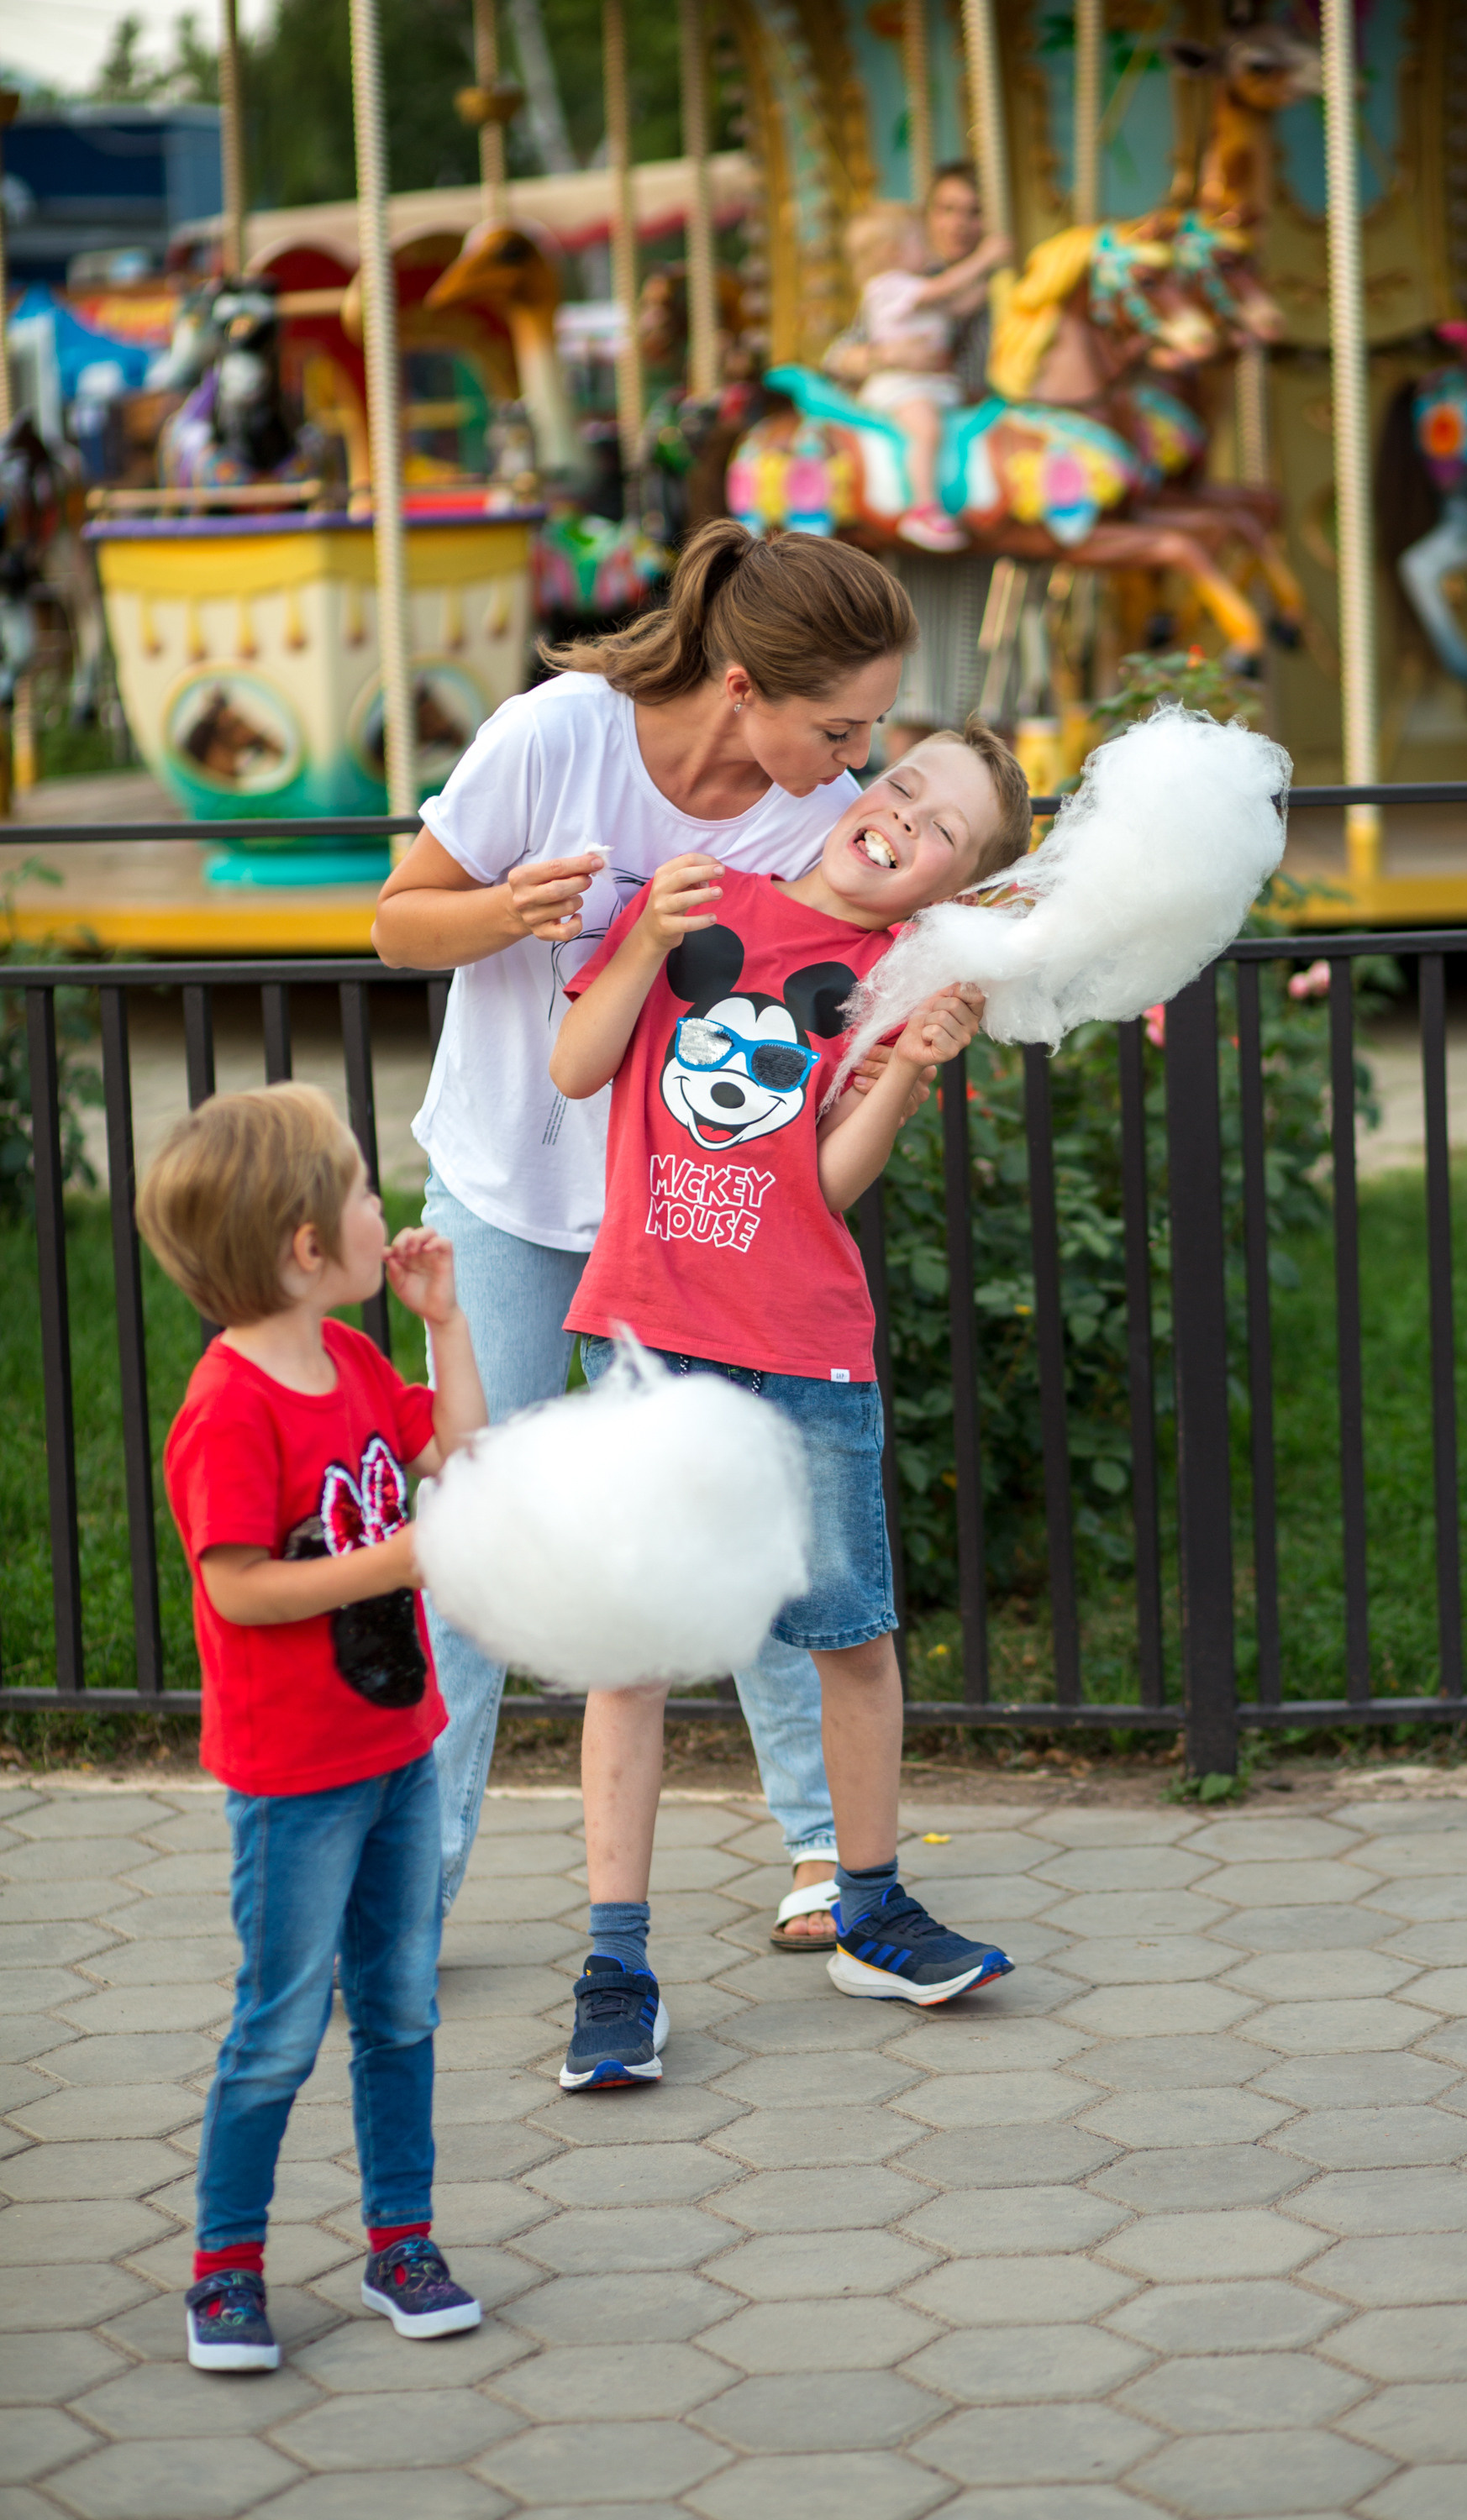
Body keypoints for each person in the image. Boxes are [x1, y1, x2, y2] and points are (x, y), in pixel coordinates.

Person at [371, 522, 918, 1956]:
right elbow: (396, 925)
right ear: (743, 684)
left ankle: (820, 1850)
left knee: (743, 1510)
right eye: (837, 723)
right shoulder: (558, 738)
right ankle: (410, 1895)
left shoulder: (818, 817)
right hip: (506, 1186)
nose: (856, 755)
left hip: (701, 1229)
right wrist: (511, 909)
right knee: (477, 1521)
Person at [545, 722, 1033, 2088]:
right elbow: (576, 1069)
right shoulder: (705, 898)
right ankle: (616, 1962)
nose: (903, 817)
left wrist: (916, 1065)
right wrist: (647, 936)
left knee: (852, 1638)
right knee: (631, 1659)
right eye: (903, 785)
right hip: (652, 1340)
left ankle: (869, 1910)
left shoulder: (894, 981)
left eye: (943, 829)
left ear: (947, 885)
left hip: (809, 1345)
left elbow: (825, 1188)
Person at [137, 1084, 487, 2373]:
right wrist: (394, 1562)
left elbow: (456, 1451)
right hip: (294, 1780)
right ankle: (224, 2270)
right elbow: (236, 1586)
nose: (375, 1209)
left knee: (398, 2007)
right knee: (280, 2025)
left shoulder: (350, 1362)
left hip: (400, 1748)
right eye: (357, 1189)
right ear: (302, 1244)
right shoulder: (230, 1408)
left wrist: (444, 1327)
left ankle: (403, 2240)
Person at [844, 200, 1012, 555]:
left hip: (934, 386)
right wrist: (986, 257)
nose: (927, 249)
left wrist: (996, 283)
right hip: (904, 387)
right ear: (893, 252)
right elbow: (945, 289)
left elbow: (957, 306)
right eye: (919, 243)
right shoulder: (888, 286)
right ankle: (921, 509)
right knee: (926, 430)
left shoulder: (915, 288)